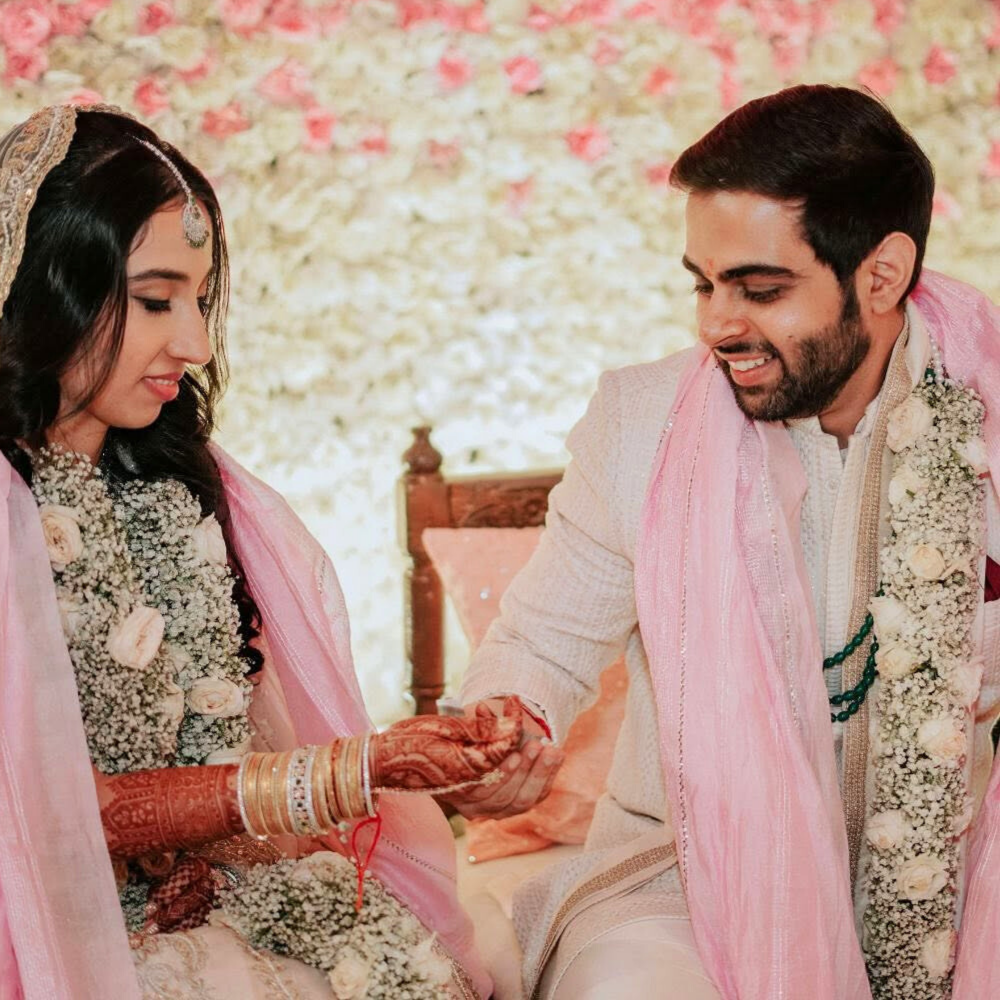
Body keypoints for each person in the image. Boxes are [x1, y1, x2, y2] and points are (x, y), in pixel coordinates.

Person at [450, 85, 1000, 999]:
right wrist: (508, 727)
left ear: (882, 274)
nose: (715, 324)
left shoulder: (987, 421)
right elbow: (542, 642)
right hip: (684, 871)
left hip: (950, 870)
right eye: (703, 284)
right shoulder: (643, 426)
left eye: (761, 288)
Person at [0, 103, 524, 1000]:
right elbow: (60, 808)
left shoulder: (185, 485)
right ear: (51, 291)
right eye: (157, 300)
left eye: (200, 302)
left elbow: (219, 745)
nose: (196, 345)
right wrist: (368, 766)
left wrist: (190, 853)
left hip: (210, 906)